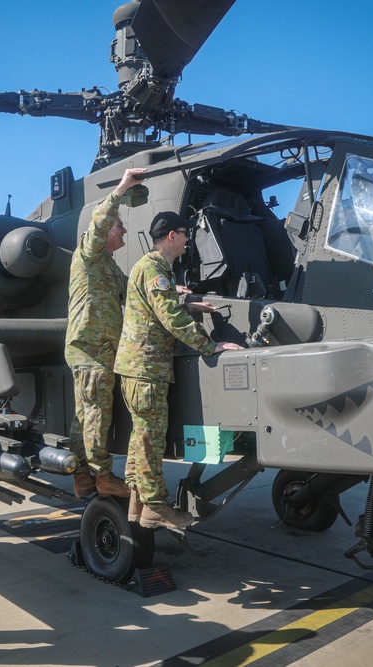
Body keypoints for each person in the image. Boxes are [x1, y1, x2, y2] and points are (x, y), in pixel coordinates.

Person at [115, 211, 244, 530]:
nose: (188, 240)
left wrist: (187, 305)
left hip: (139, 368)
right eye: (185, 234)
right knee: (150, 438)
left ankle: (137, 501)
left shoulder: (152, 268)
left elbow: (157, 308)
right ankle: (156, 507)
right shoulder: (155, 269)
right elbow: (170, 318)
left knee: (141, 436)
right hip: (147, 369)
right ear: (171, 236)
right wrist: (209, 345)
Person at [64, 168, 148, 499]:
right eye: (119, 225)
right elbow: (100, 222)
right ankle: (103, 476)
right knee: (98, 412)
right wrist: (123, 187)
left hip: (99, 349)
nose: (124, 229)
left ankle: (82, 476)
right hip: (90, 347)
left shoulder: (109, 267)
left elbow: (136, 294)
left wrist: (178, 295)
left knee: (85, 415)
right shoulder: (89, 253)